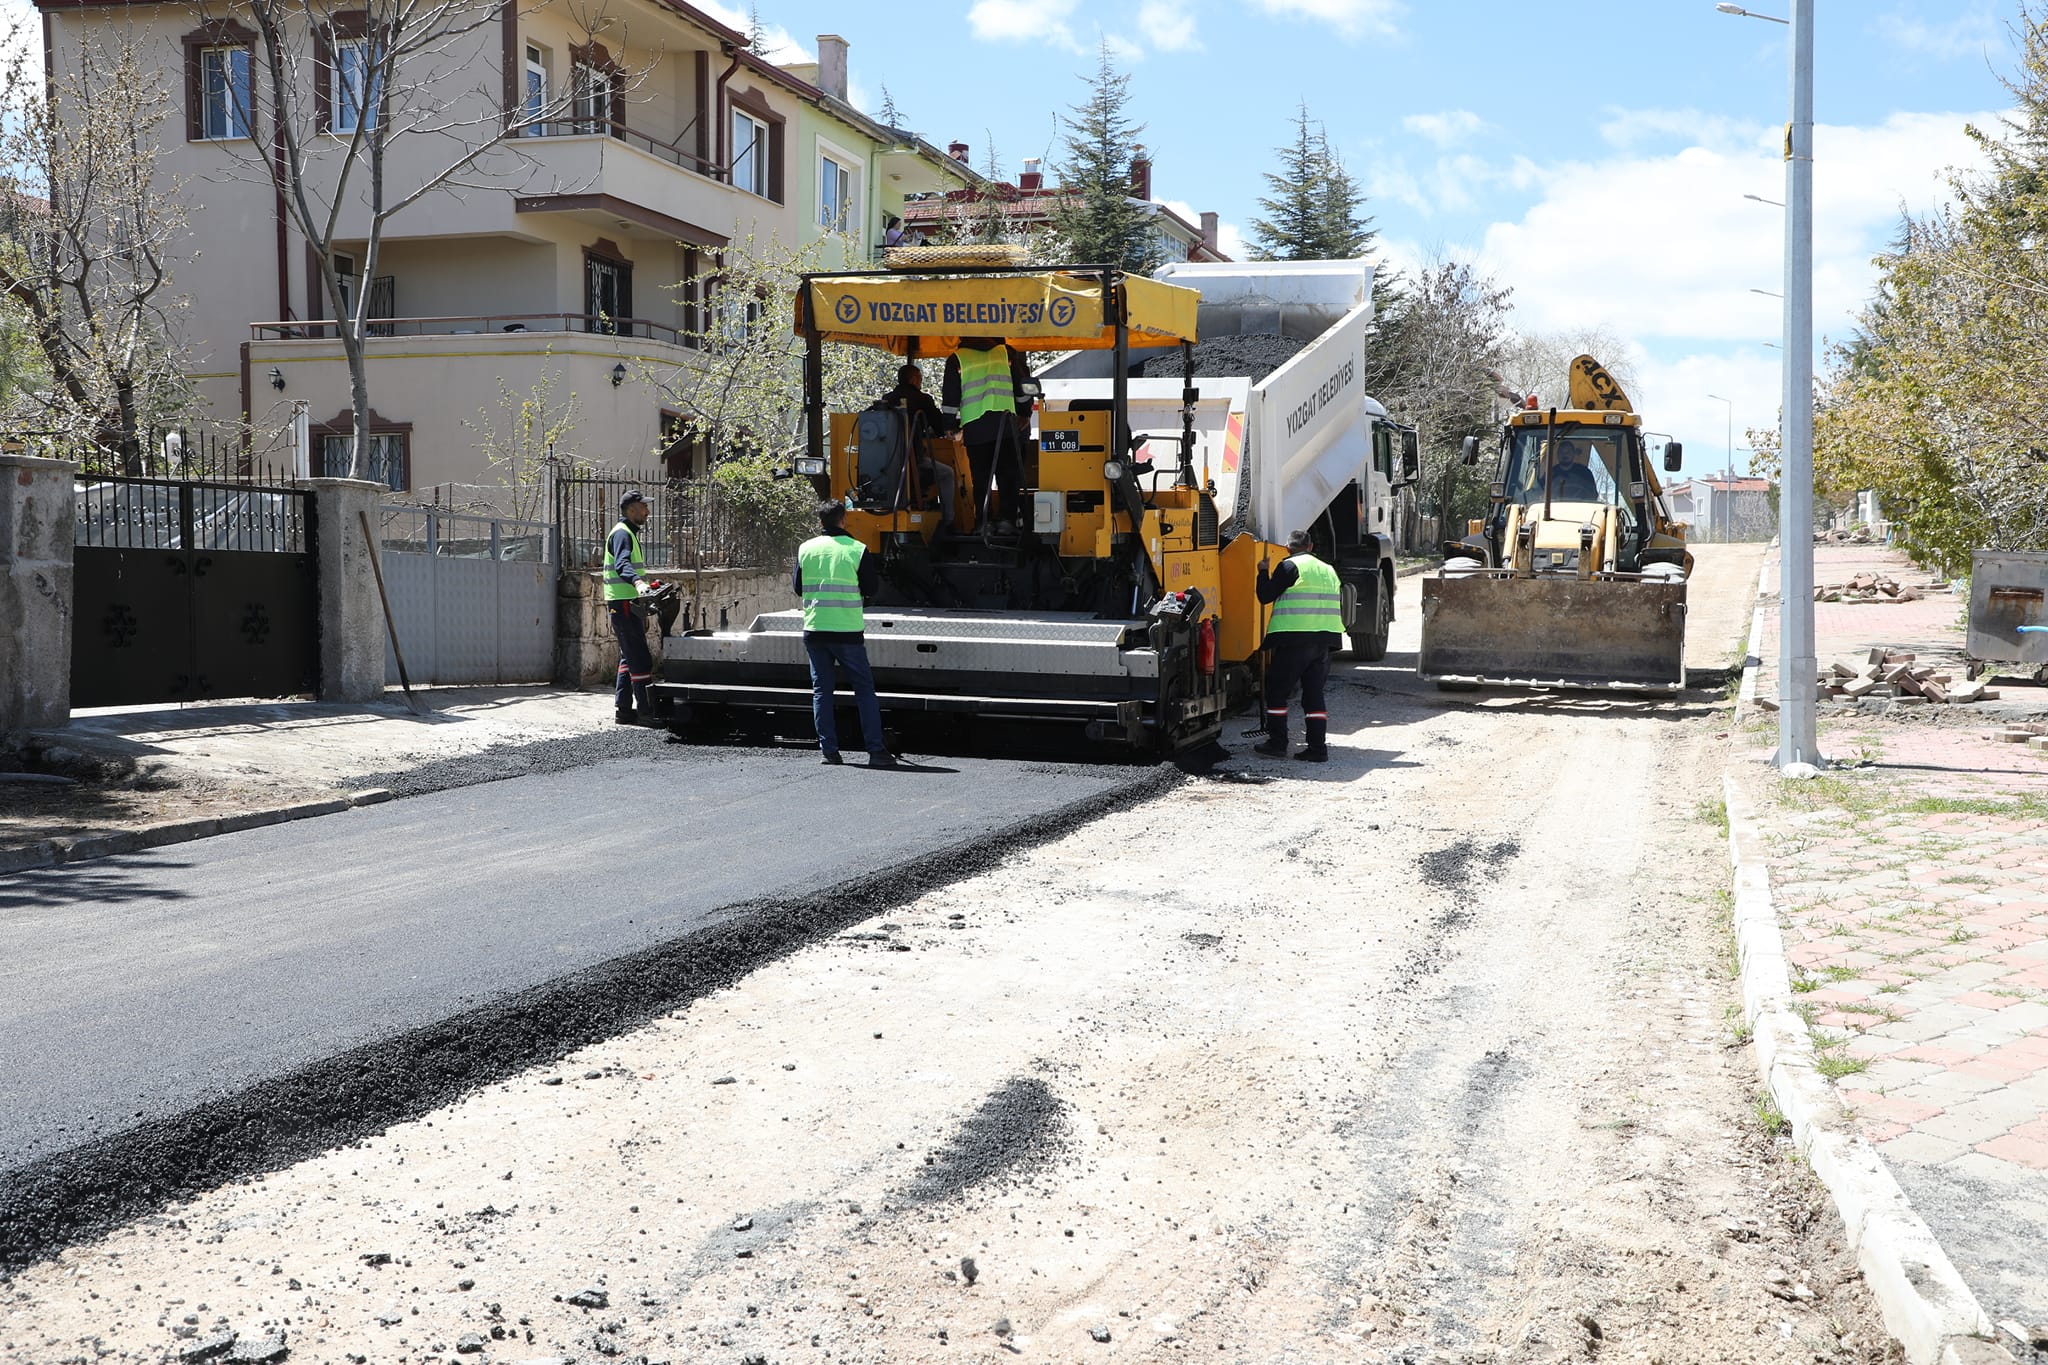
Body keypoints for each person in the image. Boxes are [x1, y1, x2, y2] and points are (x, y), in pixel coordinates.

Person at [793, 501, 896, 768]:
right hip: (847, 632)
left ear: (820, 522)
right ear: (844, 520)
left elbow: (798, 588)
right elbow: (871, 589)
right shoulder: (857, 549)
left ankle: (829, 752)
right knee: (864, 691)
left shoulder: (806, 548)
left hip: (815, 630)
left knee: (821, 691)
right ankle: (875, 751)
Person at [1254, 529, 1343, 762]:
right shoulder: (1328, 570)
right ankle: (1317, 749)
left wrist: (1262, 572)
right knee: (1314, 695)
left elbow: (1265, 595)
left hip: (1295, 639)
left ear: (1287, 548)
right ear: (1311, 546)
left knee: (1277, 692)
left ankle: (1277, 743)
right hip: (1324, 641)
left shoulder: (1289, 566)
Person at [942, 337, 1032, 532]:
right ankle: (1007, 521)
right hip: (1005, 424)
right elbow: (1022, 389)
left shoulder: (957, 358)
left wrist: (949, 426)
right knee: (1008, 476)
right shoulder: (1005, 353)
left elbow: (950, 397)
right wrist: (1025, 413)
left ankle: (984, 523)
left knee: (981, 478)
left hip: (976, 427)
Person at [878, 363, 959, 529]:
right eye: (920, 379)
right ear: (914, 379)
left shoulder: (886, 400)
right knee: (947, 473)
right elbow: (940, 426)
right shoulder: (922, 399)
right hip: (913, 460)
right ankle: (948, 520)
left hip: (887, 462)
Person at [604, 490, 657, 725]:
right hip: (624, 602)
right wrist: (638, 583)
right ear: (631, 509)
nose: (647, 511)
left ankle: (624, 710)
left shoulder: (627, 533)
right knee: (640, 657)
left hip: (625, 602)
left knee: (628, 656)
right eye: (643, 506)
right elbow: (622, 563)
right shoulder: (622, 534)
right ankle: (646, 711)